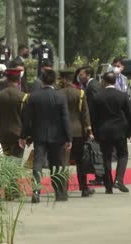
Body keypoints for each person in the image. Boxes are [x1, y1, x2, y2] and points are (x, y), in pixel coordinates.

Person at [20, 69, 72, 203]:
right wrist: (68, 138)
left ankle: (36, 191)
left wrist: (24, 135)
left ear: (41, 80)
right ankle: (59, 192)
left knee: (37, 164)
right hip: (57, 136)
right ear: (55, 81)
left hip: (39, 135)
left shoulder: (33, 97)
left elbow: (28, 119)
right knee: (56, 164)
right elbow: (65, 119)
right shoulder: (60, 97)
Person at [93, 72, 131, 193]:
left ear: (104, 81)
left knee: (106, 157)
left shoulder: (98, 96)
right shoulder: (122, 96)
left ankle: (108, 186)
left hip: (104, 130)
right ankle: (119, 180)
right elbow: (130, 114)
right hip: (120, 130)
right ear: (115, 82)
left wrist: (94, 132)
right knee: (123, 155)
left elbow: (94, 117)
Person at [58, 69, 95, 197]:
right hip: (78, 131)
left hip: (62, 132)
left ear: (63, 79)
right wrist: (89, 131)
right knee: (80, 161)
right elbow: (85, 115)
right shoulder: (80, 93)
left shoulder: (58, 93)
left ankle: (63, 190)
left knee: (64, 162)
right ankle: (84, 188)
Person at [0, 68, 27, 158]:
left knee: (6, 161)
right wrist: (27, 136)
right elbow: (26, 118)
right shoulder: (23, 97)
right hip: (18, 135)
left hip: (4, 135)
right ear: (19, 79)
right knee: (17, 161)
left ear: (7, 78)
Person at [76, 66, 105, 185]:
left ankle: (100, 176)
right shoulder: (91, 85)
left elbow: (93, 108)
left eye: (81, 75)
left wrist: (89, 126)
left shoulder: (92, 87)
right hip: (96, 123)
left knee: (97, 151)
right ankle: (99, 175)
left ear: (88, 75)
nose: (79, 77)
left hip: (96, 124)